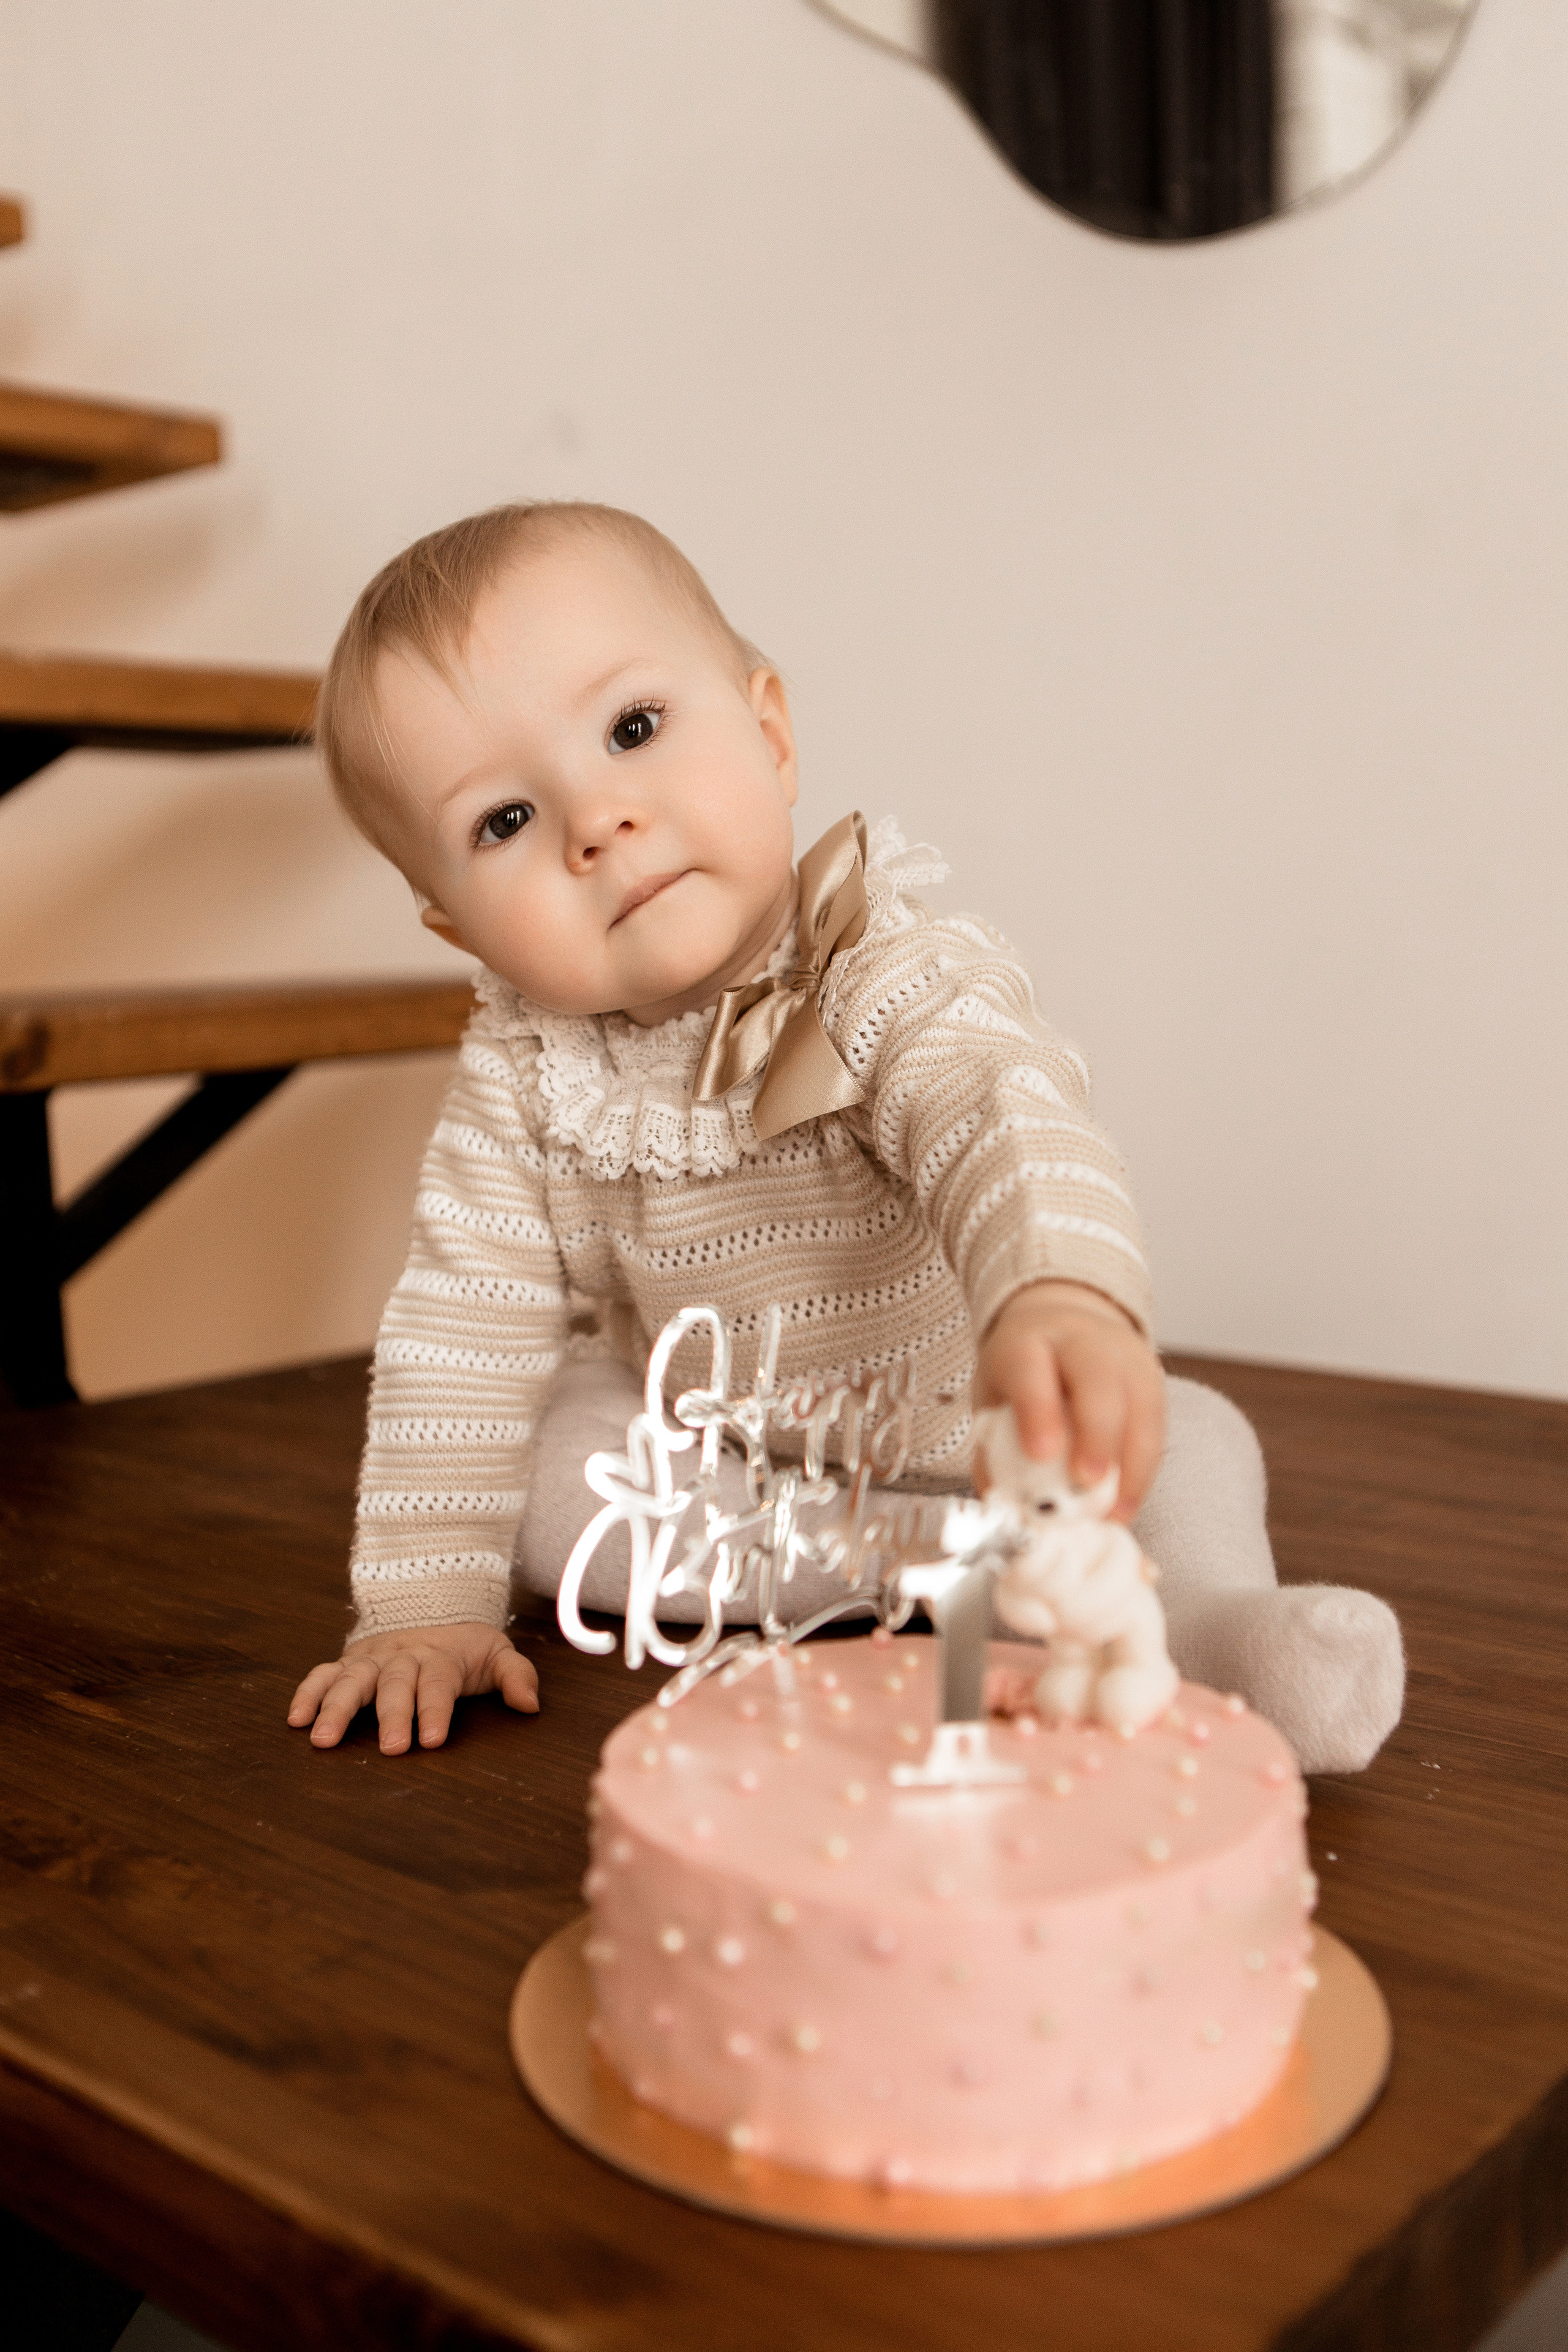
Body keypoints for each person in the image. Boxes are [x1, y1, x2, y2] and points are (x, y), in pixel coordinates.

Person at [287, 502, 1403, 1774]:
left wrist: (1057, 1298)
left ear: (768, 733)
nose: (595, 821)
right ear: (457, 931)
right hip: (737, 1479)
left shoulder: (882, 973)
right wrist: (422, 1607)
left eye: (633, 730)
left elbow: (1003, 1119)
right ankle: (941, 1580)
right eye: (502, 822)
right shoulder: (528, 1079)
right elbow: (461, 1322)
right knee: (555, 1463)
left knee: (1193, 1440)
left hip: (987, 1443)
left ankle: (1212, 1632)